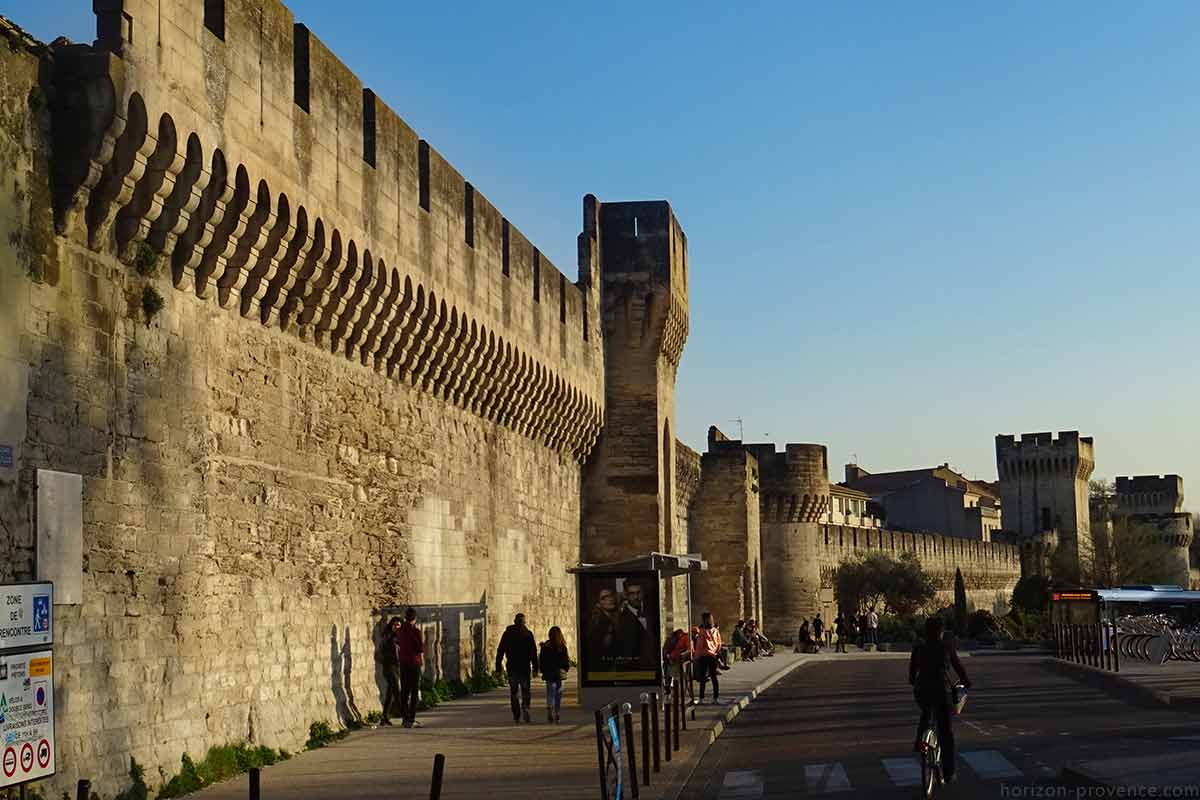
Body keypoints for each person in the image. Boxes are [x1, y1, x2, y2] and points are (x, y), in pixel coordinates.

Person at [909, 617, 971, 783]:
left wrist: (916, 682)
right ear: (940, 632)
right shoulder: (946, 647)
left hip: (921, 691)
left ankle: (919, 741)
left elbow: (911, 675)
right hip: (941, 691)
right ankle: (949, 772)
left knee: (926, 711)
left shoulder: (918, 648)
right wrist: (966, 681)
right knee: (945, 731)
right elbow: (958, 667)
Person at [496, 612, 539, 723]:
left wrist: (498, 667)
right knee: (526, 691)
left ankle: (516, 715)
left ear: (514, 622)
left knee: (514, 692)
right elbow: (533, 652)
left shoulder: (507, 634)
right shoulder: (528, 634)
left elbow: (500, 650)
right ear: (524, 623)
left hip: (512, 667)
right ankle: (525, 706)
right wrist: (535, 668)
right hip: (524, 667)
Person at [394, 607, 425, 728]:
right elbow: (420, 648)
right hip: (414, 662)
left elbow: (398, 642)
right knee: (414, 690)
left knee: (405, 691)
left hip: (403, 663)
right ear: (415, 618)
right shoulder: (415, 631)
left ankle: (405, 718)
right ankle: (411, 718)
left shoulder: (400, 631)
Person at [616, 581, 656, 667]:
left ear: (642, 593)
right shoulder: (621, 619)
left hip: (652, 666)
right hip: (634, 668)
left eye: (638, 593)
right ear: (626, 595)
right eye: (632, 593)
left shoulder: (651, 611)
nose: (636, 597)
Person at [539, 626, 570, 723]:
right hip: (559, 674)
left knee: (550, 693)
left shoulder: (545, 647)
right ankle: (557, 713)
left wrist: (543, 671)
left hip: (549, 673)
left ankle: (550, 710)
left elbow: (542, 661)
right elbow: (565, 661)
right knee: (558, 694)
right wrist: (565, 669)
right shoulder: (562, 647)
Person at [378, 616, 402, 725]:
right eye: (395, 624)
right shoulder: (387, 637)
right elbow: (382, 652)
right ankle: (404, 714)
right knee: (396, 690)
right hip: (389, 667)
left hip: (396, 667)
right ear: (391, 625)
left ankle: (384, 716)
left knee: (390, 692)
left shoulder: (400, 637)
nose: (396, 627)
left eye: (398, 625)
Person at [586, 589, 620, 667]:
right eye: (604, 598)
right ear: (598, 604)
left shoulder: (615, 619)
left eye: (611, 595)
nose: (610, 599)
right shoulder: (598, 621)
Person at [694, 612, 722, 704]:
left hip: (704, 656)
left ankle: (701, 699)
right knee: (714, 677)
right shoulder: (715, 630)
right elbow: (719, 643)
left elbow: (700, 646)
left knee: (703, 678)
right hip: (713, 656)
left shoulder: (702, 632)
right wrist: (716, 653)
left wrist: (696, 657)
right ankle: (715, 698)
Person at [663, 628, 696, 705]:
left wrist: (669, 657)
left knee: (676, 680)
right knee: (681, 680)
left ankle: (674, 697)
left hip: (673, 661)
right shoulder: (685, 638)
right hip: (677, 662)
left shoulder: (675, 638)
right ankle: (680, 698)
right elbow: (689, 650)